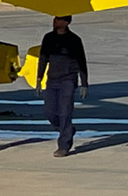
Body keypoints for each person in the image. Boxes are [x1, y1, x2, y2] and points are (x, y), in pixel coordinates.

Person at [36, 15, 89, 157]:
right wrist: (39, 78)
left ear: (65, 22)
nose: (54, 21)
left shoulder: (74, 40)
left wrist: (84, 83)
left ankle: (64, 145)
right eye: (55, 18)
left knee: (65, 112)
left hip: (68, 80)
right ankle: (67, 130)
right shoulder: (48, 38)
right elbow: (43, 58)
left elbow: (81, 62)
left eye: (58, 19)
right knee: (50, 113)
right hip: (52, 80)